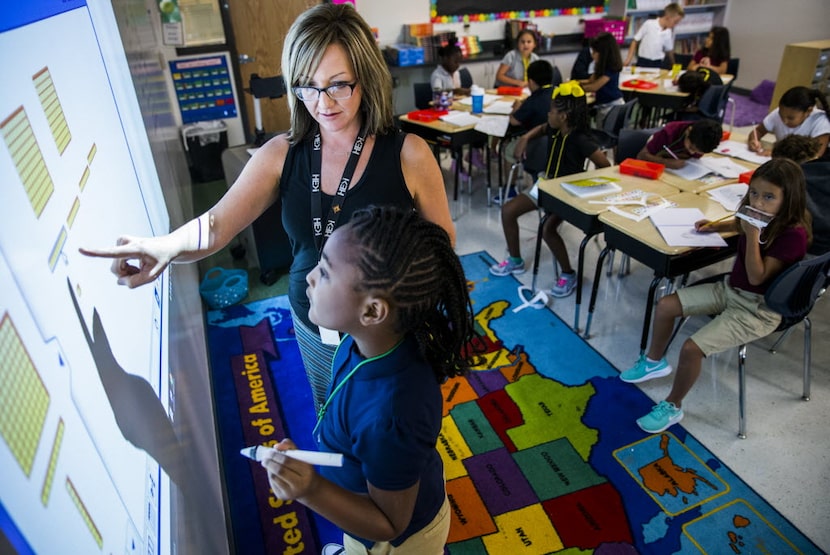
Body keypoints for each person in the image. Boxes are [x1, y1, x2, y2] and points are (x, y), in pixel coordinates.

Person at [79, 3, 454, 411]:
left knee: (392, 435)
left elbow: (442, 247)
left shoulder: (409, 154)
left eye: (338, 85)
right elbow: (217, 224)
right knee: (331, 419)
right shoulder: (281, 153)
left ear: (366, 77)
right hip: (313, 323)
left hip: (386, 333)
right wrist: (166, 247)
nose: (321, 102)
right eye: (306, 86)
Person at [261, 205, 477, 554]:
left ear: (373, 311)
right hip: (366, 496)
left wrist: (311, 488)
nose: (310, 277)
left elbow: (389, 524)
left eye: (326, 273)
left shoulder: (391, 415)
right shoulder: (359, 341)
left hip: (396, 544)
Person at [619, 158, 812, 433]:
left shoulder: (793, 235)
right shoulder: (758, 215)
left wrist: (752, 235)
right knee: (666, 305)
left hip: (757, 310)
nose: (757, 202)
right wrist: (715, 227)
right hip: (731, 290)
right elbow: (737, 224)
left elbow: (757, 277)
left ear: (789, 198)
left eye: (769, 197)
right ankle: (653, 362)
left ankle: (673, 406)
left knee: (691, 349)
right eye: (754, 193)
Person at [489, 81, 612, 299]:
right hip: (545, 186)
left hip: (566, 194)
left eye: (552, 111)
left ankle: (568, 274)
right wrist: (526, 138)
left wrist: (583, 186)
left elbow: (605, 167)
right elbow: (541, 128)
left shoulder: (581, 140)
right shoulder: (554, 128)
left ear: (563, 116)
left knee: (547, 229)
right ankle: (515, 260)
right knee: (508, 211)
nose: (548, 114)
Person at [748, 86, 830, 160]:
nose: (784, 121)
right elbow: (758, 131)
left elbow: (815, 156)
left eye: (791, 118)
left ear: (808, 111)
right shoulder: (781, 113)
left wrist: (778, 154)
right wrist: (753, 140)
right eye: (781, 115)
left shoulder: (821, 122)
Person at [636, 119, 723, 171]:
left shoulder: (703, 140)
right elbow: (641, 155)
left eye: (698, 152)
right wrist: (665, 162)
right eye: (691, 147)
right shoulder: (669, 133)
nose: (692, 153)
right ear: (688, 131)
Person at [579, 32, 624, 129]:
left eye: (595, 52)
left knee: (602, 134)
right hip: (604, 106)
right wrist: (576, 82)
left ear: (603, 54)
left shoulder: (611, 69)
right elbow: (591, 80)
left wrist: (576, 89)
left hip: (611, 107)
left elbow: (594, 87)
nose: (593, 55)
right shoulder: (601, 67)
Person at [623, 3, 685, 69]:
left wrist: (673, 64)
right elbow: (635, 41)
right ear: (668, 17)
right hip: (643, 61)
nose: (675, 25)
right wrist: (628, 59)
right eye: (675, 22)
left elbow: (669, 50)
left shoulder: (668, 32)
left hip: (658, 62)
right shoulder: (649, 24)